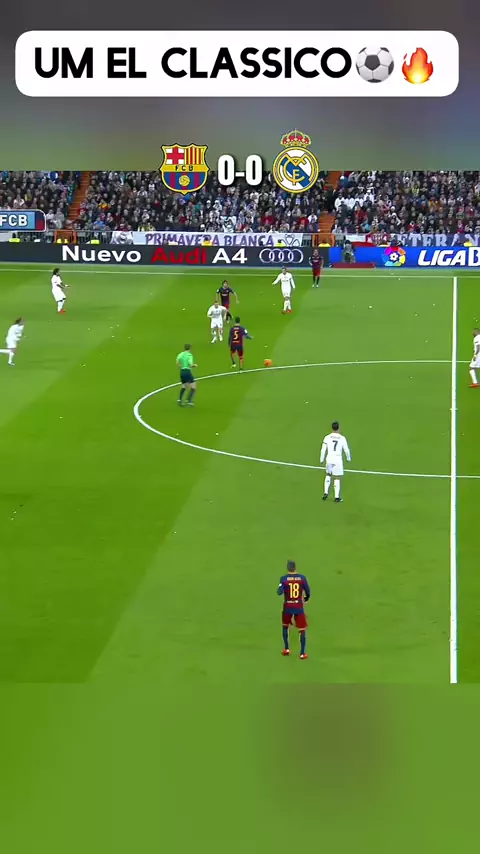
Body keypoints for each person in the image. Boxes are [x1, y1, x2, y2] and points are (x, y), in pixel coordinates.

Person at [277, 560, 310, 659]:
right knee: (302, 629)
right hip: (298, 607)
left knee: (285, 626)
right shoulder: (302, 578)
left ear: (287, 568)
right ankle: (302, 653)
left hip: (287, 607)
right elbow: (308, 592)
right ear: (295, 568)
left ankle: (286, 649)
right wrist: (306, 598)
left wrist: (281, 585)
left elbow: (279, 592)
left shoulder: (284, 579)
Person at [320, 421, 351, 503]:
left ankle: (325, 492)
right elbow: (346, 450)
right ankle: (337, 497)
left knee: (328, 474)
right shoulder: (342, 438)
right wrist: (348, 458)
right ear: (339, 428)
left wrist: (321, 459)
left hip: (329, 458)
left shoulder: (327, 437)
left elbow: (323, 450)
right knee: (337, 477)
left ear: (332, 428)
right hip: (337, 459)